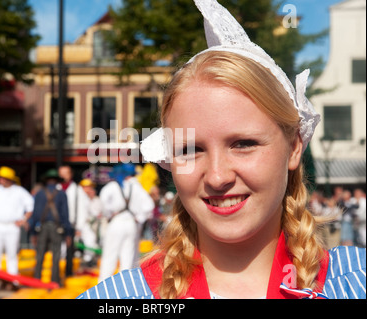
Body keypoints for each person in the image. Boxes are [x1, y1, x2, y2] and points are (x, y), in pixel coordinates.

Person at [77, 0, 365, 299]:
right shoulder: (116, 298)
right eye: (190, 149)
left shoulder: (356, 282)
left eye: (243, 144)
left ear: (294, 148)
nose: (216, 177)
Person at [97, 163, 154, 282]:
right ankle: (124, 287)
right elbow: (150, 205)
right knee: (128, 257)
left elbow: (102, 200)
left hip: (116, 222)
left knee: (109, 255)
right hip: (132, 223)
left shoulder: (113, 185)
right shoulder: (137, 186)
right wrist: (140, 218)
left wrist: (108, 213)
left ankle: (103, 286)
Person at [29, 169, 71, 285]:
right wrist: (68, 233)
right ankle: (55, 281)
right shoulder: (62, 194)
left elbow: (36, 214)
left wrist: (33, 232)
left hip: (42, 227)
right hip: (57, 227)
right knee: (56, 255)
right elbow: (65, 215)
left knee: (40, 255)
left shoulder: (40, 194)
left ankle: (37, 280)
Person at [58, 165, 89, 277]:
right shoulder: (56, 187)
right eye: (61, 173)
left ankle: (68, 274)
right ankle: (57, 275)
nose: (62, 176)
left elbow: (82, 208)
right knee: (58, 252)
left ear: (70, 174)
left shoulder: (77, 189)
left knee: (69, 252)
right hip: (57, 225)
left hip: (71, 225)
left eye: (65, 173)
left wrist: (79, 227)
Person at [78, 178, 102, 267]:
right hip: (77, 225)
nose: (90, 189)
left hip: (84, 224)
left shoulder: (86, 197)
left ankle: (87, 260)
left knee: (91, 240)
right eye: (88, 187)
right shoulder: (79, 196)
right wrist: (78, 227)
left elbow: (93, 211)